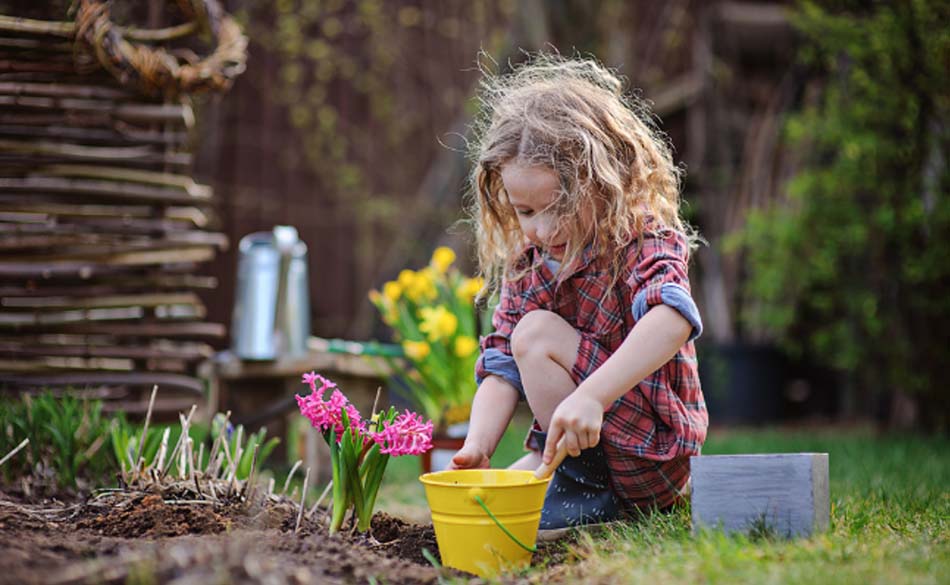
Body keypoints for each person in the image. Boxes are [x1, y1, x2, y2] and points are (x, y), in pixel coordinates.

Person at [449, 54, 708, 530]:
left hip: (650, 449)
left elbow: (672, 317)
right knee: (491, 506)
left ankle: (590, 488)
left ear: (604, 183)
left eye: (558, 206)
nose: (543, 229)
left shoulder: (642, 239)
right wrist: (478, 444)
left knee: (537, 335)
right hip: (583, 444)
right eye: (525, 212)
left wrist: (591, 396)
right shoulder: (530, 264)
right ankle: (578, 481)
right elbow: (502, 361)